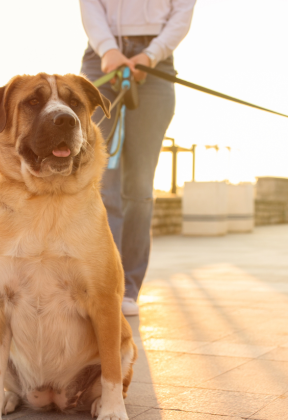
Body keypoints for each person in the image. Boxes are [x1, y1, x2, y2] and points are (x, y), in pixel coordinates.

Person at [80, 0, 196, 315]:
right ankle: (98, 284)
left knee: (140, 185)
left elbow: (182, 13)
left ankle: (127, 288)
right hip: (102, 58)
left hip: (156, 65)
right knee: (100, 180)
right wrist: (108, 50)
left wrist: (149, 56)